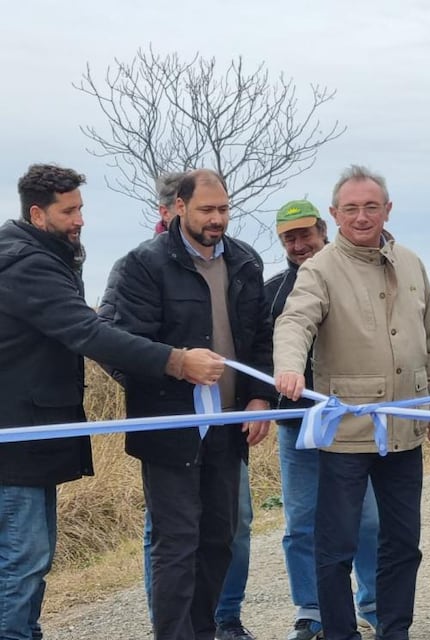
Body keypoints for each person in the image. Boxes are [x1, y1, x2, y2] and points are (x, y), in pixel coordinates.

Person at [0, 163, 224, 640]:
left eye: (81, 207)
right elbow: (84, 332)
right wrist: (176, 361)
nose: (80, 219)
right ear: (38, 214)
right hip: (17, 439)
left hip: (28, 435)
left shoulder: (39, 256)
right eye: (69, 210)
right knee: (22, 559)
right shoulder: (27, 264)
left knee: (26, 558)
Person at [274, 165, 430, 640]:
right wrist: (288, 365)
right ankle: (338, 632)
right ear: (334, 214)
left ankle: (396, 629)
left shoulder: (412, 263)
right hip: (348, 432)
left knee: (403, 543)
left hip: (405, 427)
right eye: (350, 208)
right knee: (336, 546)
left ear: (387, 210)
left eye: (371, 206)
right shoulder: (320, 268)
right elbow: (295, 322)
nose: (362, 216)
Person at [101, 169, 274, 640]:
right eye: (206, 210)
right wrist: (175, 367)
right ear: (179, 207)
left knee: (220, 538)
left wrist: (261, 396)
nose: (217, 219)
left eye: (223, 209)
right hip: (169, 429)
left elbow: (261, 340)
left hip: (229, 425)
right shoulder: (142, 264)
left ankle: (205, 631)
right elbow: (116, 345)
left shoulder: (246, 262)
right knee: (176, 543)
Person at [265, 199, 381, 639]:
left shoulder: (355, 279)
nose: (299, 245)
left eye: (305, 235)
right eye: (289, 238)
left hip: (353, 420)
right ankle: (310, 608)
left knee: (367, 519)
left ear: (323, 231)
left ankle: (372, 601)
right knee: (301, 522)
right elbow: (262, 349)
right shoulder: (273, 290)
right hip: (296, 425)